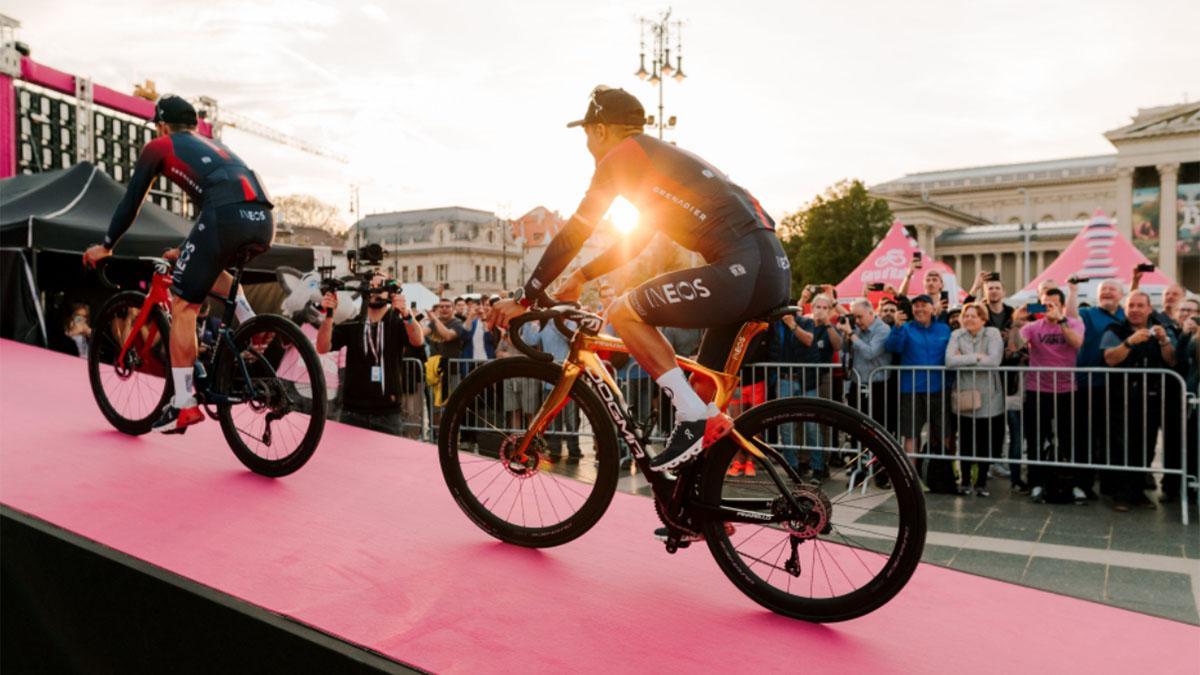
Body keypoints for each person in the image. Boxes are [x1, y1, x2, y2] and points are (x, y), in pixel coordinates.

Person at [489, 85, 789, 476]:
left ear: (599, 130)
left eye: (586, 135)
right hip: (770, 266)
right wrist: (580, 275)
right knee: (702, 390)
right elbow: (636, 243)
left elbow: (575, 233)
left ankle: (692, 418)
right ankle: (699, 509)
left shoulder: (621, 157)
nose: (587, 145)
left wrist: (525, 298)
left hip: (741, 268)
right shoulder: (655, 164)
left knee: (625, 312)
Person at [83, 95, 273, 433]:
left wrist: (107, 245)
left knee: (184, 305)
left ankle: (184, 403)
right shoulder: (217, 146)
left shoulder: (160, 146)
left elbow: (131, 202)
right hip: (261, 217)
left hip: (225, 217)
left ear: (162, 125)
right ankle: (253, 327)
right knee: (221, 276)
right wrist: (187, 248)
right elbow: (220, 200)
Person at [316, 274, 426, 436]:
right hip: (353, 411)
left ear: (390, 292)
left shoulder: (397, 321)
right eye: (371, 286)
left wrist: (407, 315)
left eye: (380, 286)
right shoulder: (353, 322)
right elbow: (322, 347)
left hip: (388, 412)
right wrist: (329, 314)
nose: (375, 290)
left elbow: (418, 341)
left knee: (387, 461)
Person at [1101, 291, 1178, 511]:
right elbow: (1109, 359)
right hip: (1121, 398)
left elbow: (1172, 360)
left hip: (1152, 398)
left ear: (1149, 309)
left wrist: (1164, 341)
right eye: (1131, 305)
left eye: (1139, 305)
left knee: (1146, 446)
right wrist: (1129, 343)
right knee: (1121, 446)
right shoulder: (1115, 329)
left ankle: (1138, 491)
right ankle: (1121, 494)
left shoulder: (1161, 329)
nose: (1135, 309)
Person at [1010, 287, 1085, 503]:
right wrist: (1017, 322)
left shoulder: (1074, 322)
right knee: (1035, 438)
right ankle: (1036, 482)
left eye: (1052, 304)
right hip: (1037, 390)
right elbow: (1015, 346)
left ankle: (1072, 482)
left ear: (1062, 305)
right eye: (1044, 304)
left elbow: (1077, 343)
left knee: (1068, 438)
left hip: (1066, 390)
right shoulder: (1033, 327)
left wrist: (1060, 321)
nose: (1048, 308)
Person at [1068, 278, 1125, 498]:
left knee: (1112, 437)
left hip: (1116, 386)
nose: (1107, 292)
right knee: (1085, 436)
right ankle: (1083, 483)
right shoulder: (1089, 313)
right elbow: (1071, 317)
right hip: (1087, 384)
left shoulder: (1125, 315)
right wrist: (1073, 291)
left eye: (1112, 289)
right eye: (1103, 290)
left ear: (1121, 295)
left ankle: (1110, 485)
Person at [884, 295, 952, 470]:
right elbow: (892, 348)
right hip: (911, 389)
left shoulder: (944, 329)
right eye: (916, 306)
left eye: (923, 305)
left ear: (932, 308)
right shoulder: (905, 328)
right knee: (911, 434)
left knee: (944, 432)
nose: (919, 309)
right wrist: (897, 328)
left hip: (940, 388)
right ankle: (911, 474)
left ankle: (944, 473)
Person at [945, 303, 1005, 496]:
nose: (969, 319)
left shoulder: (993, 333)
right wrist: (977, 357)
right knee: (966, 441)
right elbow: (949, 361)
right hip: (964, 395)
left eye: (973, 316)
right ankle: (964, 481)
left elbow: (994, 361)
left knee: (984, 441)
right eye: (966, 315)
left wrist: (964, 358)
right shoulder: (957, 335)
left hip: (989, 397)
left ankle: (981, 482)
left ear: (983, 319)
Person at [838, 299, 892, 429]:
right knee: (856, 427)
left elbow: (870, 353)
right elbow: (844, 352)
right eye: (854, 317)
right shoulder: (856, 329)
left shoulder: (883, 329)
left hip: (878, 386)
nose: (857, 321)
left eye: (859, 317)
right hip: (857, 384)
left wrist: (851, 334)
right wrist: (845, 335)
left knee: (877, 428)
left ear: (871, 313)